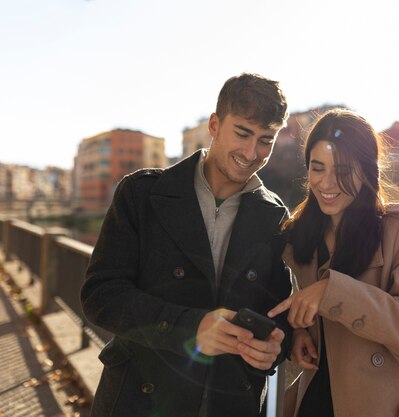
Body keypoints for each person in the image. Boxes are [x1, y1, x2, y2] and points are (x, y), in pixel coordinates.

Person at [81, 73, 293, 417]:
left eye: (266, 140)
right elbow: (100, 296)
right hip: (141, 402)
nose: (252, 152)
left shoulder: (275, 217)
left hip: (230, 404)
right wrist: (190, 327)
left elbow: (279, 316)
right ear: (214, 124)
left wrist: (275, 349)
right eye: (242, 133)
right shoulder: (141, 193)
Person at [268, 109, 399, 417]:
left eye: (343, 170)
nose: (327, 183)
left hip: (386, 403)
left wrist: (332, 292)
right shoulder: (300, 236)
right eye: (317, 168)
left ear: (366, 170)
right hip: (316, 397)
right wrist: (299, 334)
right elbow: (302, 310)